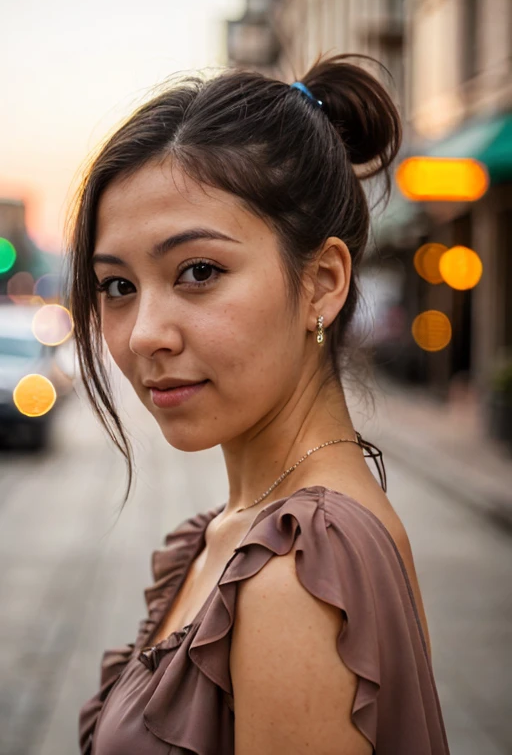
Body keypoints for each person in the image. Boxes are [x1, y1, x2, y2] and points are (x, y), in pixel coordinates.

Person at [70, 54, 450, 755]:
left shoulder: (297, 573)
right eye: (117, 286)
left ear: (323, 284)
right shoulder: (242, 533)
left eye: (199, 272)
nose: (145, 334)